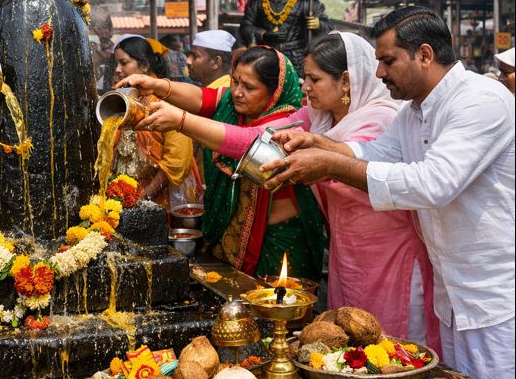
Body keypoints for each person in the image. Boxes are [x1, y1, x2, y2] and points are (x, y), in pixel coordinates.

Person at [261, 7, 514, 379]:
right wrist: (316, 142)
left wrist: (328, 164)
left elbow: (434, 183)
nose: (378, 72)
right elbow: (370, 153)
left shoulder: (481, 101)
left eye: (388, 60)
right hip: (453, 291)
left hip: (493, 293)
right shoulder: (414, 110)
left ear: (425, 55)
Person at [140, 31, 441, 349]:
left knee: (389, 345)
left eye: (314, 79)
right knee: (347, 343)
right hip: (347, 254)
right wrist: (181, 120)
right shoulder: (317, 116)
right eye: (305, 77)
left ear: (346, 82)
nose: (305, 88)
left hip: (390, 256)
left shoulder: (380, 119)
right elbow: (253, 140)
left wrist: (181, 121)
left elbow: (347, 165)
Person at [116, 46, 327, 281]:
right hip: (232, 236)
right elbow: (201, 97)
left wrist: (181, 121)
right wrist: (156, 85)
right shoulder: (231, 103)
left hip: (279, 238)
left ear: (274, 92)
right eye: (235, 81)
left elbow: (243, 141)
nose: (237, 92)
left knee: (278, 307)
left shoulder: (288, 122)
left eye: (249, 87)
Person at [110, 36, 200, 208]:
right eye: (116, 63)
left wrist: (143, 198)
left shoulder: (166, 103)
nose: (118, 70)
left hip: (163, 201)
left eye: (124, 62)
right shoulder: (121, 99)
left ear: (144, 66)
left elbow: (176, 161)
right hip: (124, 199)